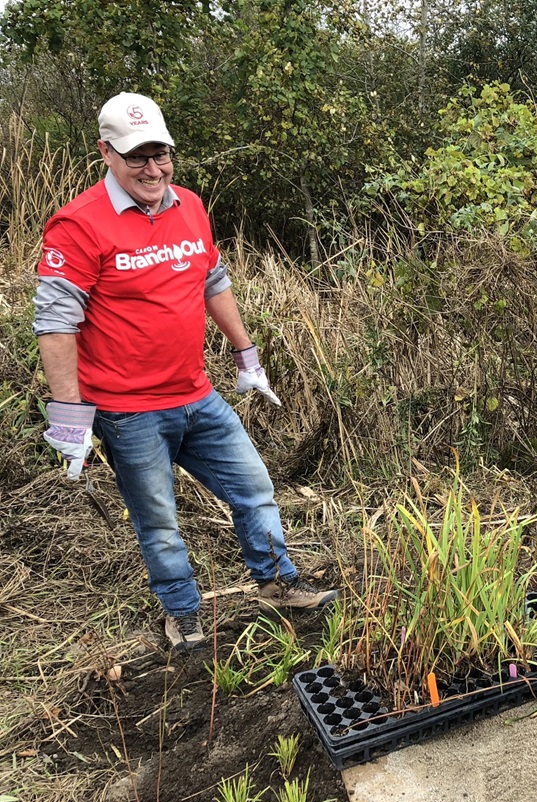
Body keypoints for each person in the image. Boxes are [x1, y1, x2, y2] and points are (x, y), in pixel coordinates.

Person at [33, 92, 338, 652]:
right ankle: (183, 613)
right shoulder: (77, 225)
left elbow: (211, 281)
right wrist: (70, 415)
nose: (153, 169)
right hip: (127, 411)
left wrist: (246, 355)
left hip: (197, 395)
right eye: (137, 157)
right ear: (105, 152)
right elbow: (55, 324)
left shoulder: (189, 207)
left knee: (255, 490)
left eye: (161, 154)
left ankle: (276, 583)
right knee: (160, 523)